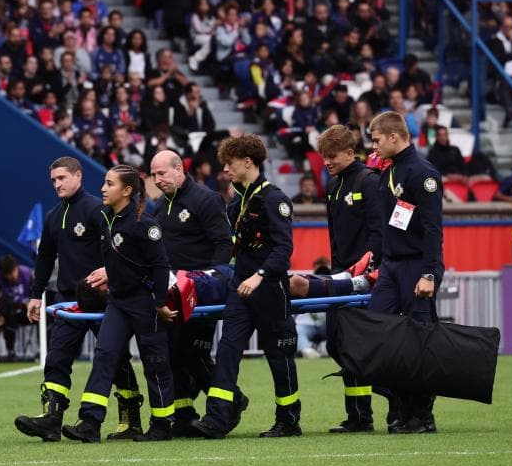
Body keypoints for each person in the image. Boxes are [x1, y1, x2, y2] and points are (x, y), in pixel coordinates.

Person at [15, 157, 144, 441]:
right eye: (53, 180)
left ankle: (130, 420)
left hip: (103, 299)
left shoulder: (98, 210)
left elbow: (118, 247)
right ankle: (51, 419)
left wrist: (111, 274)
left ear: (78, 176)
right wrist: (36, 295)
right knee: (56, 358)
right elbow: (45, 258)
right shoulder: (53, 217)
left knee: (116, 358)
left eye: (62, 178)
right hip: (69, 301)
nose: (57, 184)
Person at [191, 135, 302, 439]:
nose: (225, 169)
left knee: (278, 356)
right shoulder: (237, 202)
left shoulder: (274, 199)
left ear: (248, 162)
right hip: (240, 289)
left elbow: (283, 249)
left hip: (270, 290)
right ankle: (217, 418)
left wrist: (259, 275)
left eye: (230, 163)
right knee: (227, 351)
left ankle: (288, 420)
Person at [61, 165, 177, 443]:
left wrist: (160, 302)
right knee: (104, 355)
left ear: (126, 190)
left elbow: (160, 265)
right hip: (117, 301)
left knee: (155, 362)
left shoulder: (145, 225)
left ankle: (162, 425)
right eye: (104, 182)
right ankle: (90, 423)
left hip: (145, 302)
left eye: (109, 184)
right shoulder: (105, 218)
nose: (103, 188)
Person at [148, 150, 244, 437]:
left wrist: (212, 283)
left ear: (179, 169)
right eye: (153, 175)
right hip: (171, 293)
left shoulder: (206, 199)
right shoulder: (160, 207)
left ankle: (232, 401)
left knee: (193, 352)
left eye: (162, 173)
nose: (157, 180)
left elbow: (223, 245)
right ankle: (184, 415)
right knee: (174, 353)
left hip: (200, 293)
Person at [368, 111, 444, 435]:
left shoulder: (423, 173)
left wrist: (429, 274)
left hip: (416, 265)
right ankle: (398, 402)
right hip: (392, 265)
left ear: (394, 137)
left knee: (418, 340)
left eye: (376, 141)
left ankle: (422, 415)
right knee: (377, 331)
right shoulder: (390, 171)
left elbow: (432, 229)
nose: (373, 148)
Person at [315, 125, 384, 433]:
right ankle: (359, 415)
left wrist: (368, 270)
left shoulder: (369, 181)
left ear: (349, 151)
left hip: (364, 279)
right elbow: (334, 236)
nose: (326, 162)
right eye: (323, 156)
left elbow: (379, 233)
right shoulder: (333, 186)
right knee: (336, 343)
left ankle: (367, 412)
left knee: (359, 346)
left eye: (332, 156)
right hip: (339, 275)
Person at [0, 255, 31, 361]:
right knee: (2, 316)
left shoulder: (26, 273)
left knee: (47, 315)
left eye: (14, 271)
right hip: (6, 312)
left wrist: (29, 303)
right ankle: (7, 351)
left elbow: (35, 295)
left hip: (27, 311)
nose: (13, 276)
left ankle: (45, 349)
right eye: (9, 274)